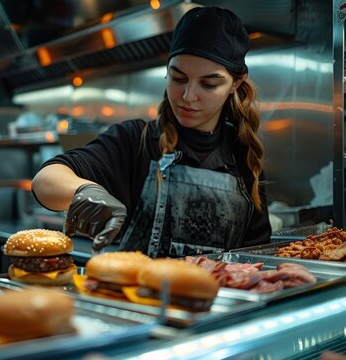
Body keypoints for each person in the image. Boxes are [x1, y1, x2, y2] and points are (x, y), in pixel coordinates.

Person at [31, 6, 272, 257]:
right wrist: (84, 191)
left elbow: (255, 257)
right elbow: (45, 181)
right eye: (178, 78)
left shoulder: (243, 156)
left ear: (236, 83)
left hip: (221, 295)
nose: (188, 96)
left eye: (209, 84)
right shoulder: (137, 140)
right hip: (138, 294)